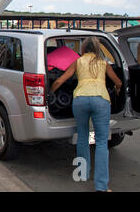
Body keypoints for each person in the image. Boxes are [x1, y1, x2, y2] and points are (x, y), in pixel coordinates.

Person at [50, 37, 122, 192]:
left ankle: (82, 173)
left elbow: (60, 81)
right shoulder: (103, 63)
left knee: (82, 137)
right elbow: (118, 82)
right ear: (96, 48)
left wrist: (50, 94)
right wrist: (117, 89)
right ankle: (101, 186)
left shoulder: (78, 61)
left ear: (83, 48)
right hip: (101, 100)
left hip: (80, 100)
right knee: (101, 142)